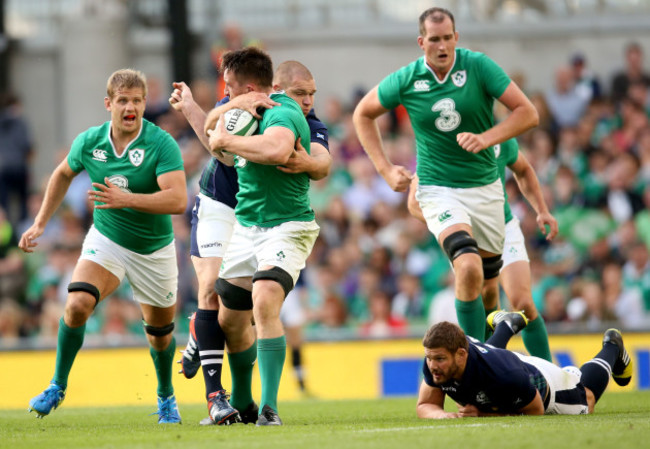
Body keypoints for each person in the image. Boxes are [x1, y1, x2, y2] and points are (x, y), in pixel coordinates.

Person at [353, 7, 539, 341]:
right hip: (438, 188)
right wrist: (384, 169)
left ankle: (492, 363)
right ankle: (473, 368)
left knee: (488, 294)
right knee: (467, 266)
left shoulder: (478, 66)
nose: (442, 46)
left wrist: (486, 138)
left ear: (456, 37)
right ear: (421, 42)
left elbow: (528, 113)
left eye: (448, 38)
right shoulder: (407, 78)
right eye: (434, 39)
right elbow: (363, 114)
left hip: (486, 191)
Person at [19, 69, 187, 423]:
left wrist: (128, 199)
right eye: (123, 100)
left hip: (154, 249)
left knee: (159, 335)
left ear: (144, 104)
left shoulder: (160, 143)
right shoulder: (90, 142)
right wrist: (41, 222)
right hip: (108, 239)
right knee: (77, 303)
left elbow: (177, 200)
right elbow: (64, 173)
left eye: (138, 101)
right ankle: (57, 385)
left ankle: (165, 396)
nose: (131, 107)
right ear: (109, 104)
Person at [170, 54, 328, 425]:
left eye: (311, 94)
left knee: (255, 303)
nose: (308, 101)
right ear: (271, 87)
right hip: (225, 204)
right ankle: (218, 397)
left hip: (272, 216)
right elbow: (217, 145)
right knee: (214, 293)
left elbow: (321, 161)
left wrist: (306, 163)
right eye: (301, 93)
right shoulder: (237, 103)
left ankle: (254, 402)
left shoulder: (297, 118)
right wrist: (203, 109)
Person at [408, 138, 558, 361]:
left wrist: (541, 210)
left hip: (502, 226)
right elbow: (414, 202)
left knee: (522, 303)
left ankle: (550, 374)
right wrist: (445, 224)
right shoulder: (440, 141)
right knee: (486, 295)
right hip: (463, 234)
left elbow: (523, 169)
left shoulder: (499, 139)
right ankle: (481, 366)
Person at [416, 317, 633, 418]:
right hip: (504, 362)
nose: (433, 366)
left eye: (440, 359)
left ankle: (613, 346)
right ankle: (507, 324)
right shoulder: (436, 358)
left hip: (544, 386)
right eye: (429, 359)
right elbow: (425, 404)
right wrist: (443, 416)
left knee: (586, 398)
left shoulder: (504, 376)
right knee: (488, 371)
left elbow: (535, 409)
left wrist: (483, 414)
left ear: (461, 355)